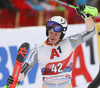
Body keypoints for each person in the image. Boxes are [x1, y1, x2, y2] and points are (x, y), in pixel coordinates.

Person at [4, 4, 97, 88]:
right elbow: (24, 70)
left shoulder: (70, 42)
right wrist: (15, 80)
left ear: (62, 34)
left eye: (56, 34)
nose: (52, 36)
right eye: (51, 32)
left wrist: (85, 16)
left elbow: (91, 32)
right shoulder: (38, 49)